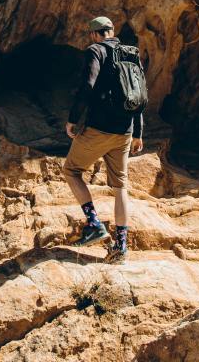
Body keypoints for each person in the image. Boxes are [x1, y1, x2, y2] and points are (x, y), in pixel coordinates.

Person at [62, 15, 144, 264]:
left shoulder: (95, 50)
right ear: (112, 31)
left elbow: (88, 85)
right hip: (125, 131)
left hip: (99, 128)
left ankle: (94, 224)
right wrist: (138, 132)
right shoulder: (130, 52)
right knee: (120, 187)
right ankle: (121, 246)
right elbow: (138, 92)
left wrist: (73, 119)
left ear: (94, 34)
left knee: (71, 171)